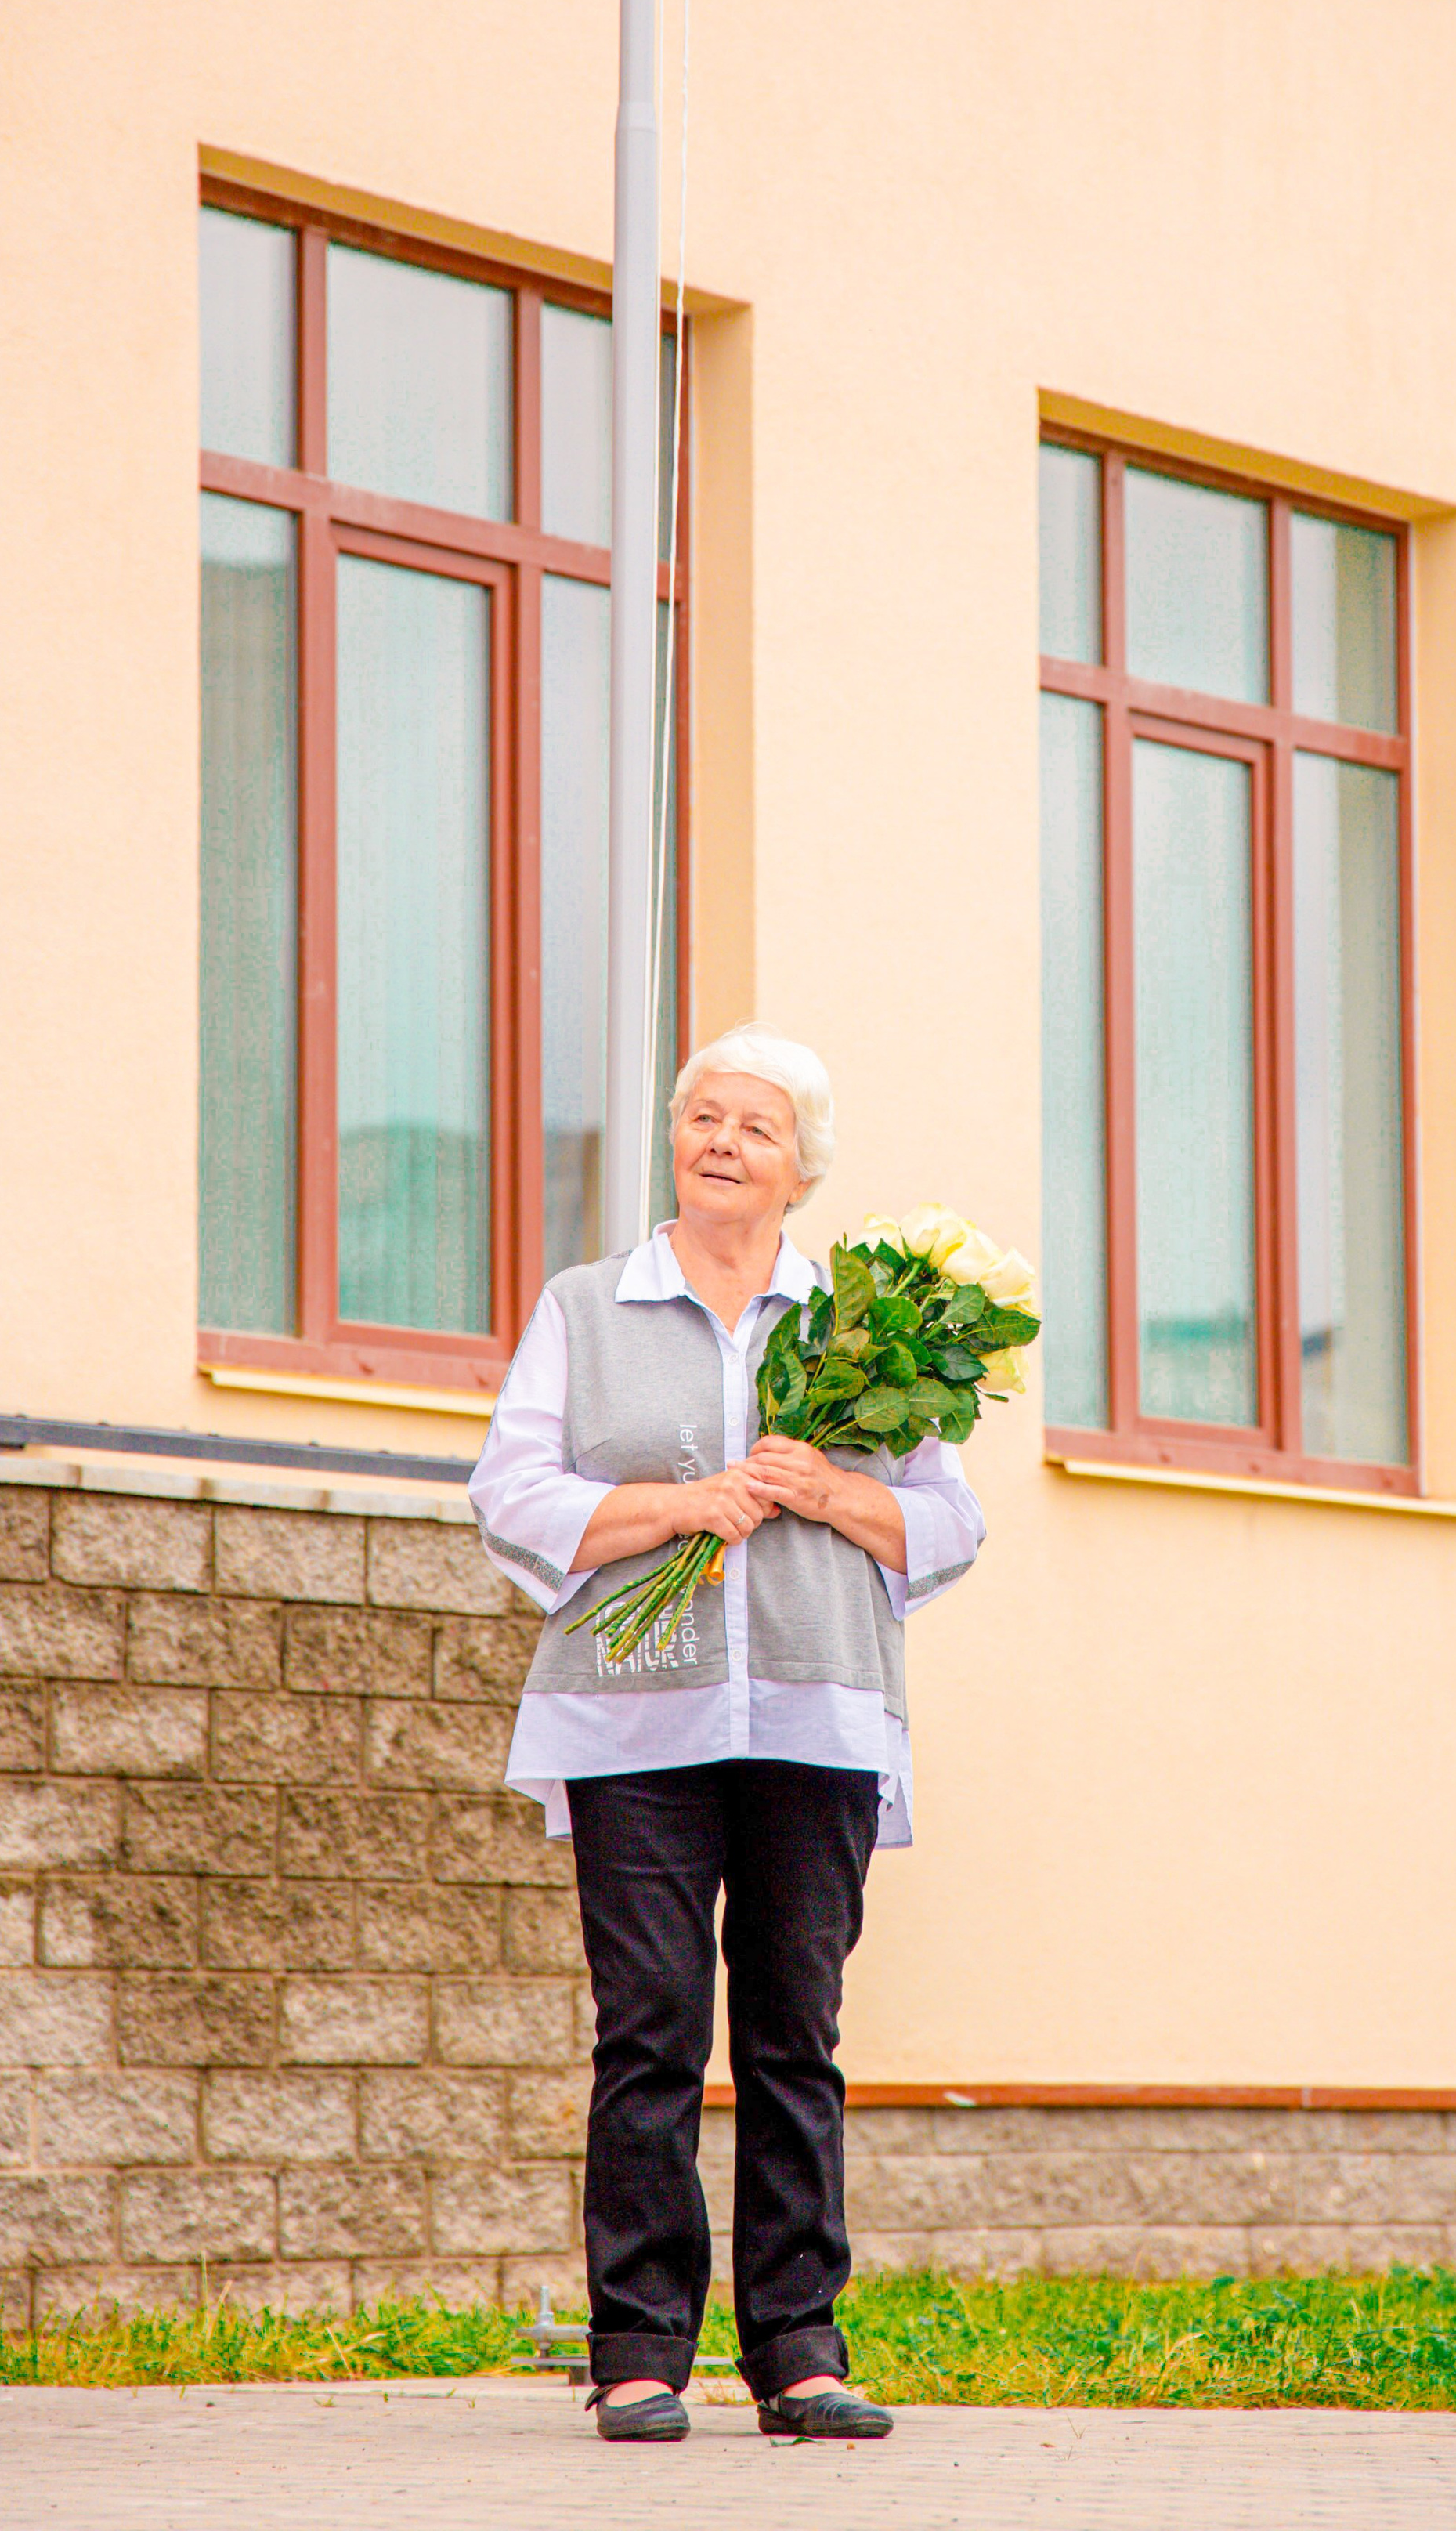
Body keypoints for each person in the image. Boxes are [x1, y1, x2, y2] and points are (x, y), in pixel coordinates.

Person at [471, 1024, 985, 2445]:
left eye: (755, 1126)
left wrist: (822, 1491)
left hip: (816, 1714)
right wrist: (681, 1510)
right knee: (648, 2028)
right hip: (631, 1721)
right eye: (703, 1116)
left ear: (799, 1167)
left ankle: (799, 2353)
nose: (721, 1141)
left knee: (792, 2036)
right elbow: (511, 1493)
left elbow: (947, 1524)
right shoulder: (589, 1305)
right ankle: (638, 2349)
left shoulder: (872, 1331)